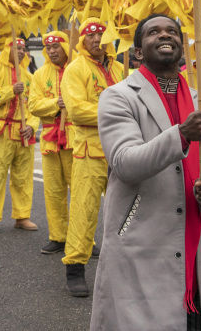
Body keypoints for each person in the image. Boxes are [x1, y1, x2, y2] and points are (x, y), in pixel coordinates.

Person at [90, 13, 201, 330]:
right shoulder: (118, 97)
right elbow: (125, 162)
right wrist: (181, 135)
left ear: (182, 47)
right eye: (154, 32)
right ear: (139, 51)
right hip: (141, 244)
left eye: (172, 31)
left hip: (195, 243)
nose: (165, 35)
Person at [61, 18, 126, 297]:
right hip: (90, 151)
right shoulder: (75, 69)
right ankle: (75, 268)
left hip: (122, 151)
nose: (97, 39)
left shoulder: (122, 68)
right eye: (91, 35)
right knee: (84, 212)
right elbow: (76, 111)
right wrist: (117, 111)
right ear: (82, 40)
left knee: (127, 212)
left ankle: (125, 268)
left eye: (101, 34)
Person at [0, 37, 38, 234]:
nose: (21, 51)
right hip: (1, 132)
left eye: (23, 48)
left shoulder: (29, 77)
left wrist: (32, 125)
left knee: (23, 178)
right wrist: (10, 91)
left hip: (23, 133)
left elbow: (34, 105)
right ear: (7, 49)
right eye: (17, 47)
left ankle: (22, 216)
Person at [27, 30, 74, 255]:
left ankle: (83, 238)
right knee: (53, 191)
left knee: (80, 192)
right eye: (48, 47)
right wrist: (57, 102)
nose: (52, 51)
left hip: (75, 140)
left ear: (66, 46)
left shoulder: (77, 69)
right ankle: (58, 236)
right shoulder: (40, 74)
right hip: (49, 140)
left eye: (56, 46)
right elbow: (34, 105)